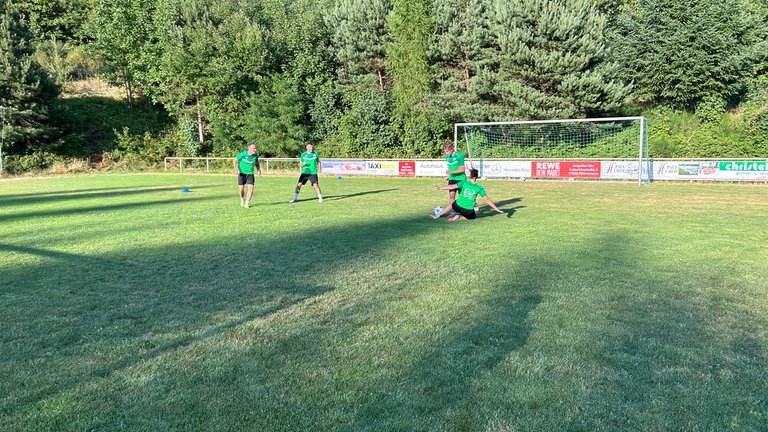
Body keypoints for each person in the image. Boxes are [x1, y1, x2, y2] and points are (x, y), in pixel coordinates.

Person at [430, 168, 504, 221]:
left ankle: (438, 215)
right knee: (471, 217)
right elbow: (487, 200)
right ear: (476, 177)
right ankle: (459, 218)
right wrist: (496, 209)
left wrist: (440, 188)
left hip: (458, 206)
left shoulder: (464, 182)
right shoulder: (479, 188)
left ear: (470, 176)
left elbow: (452, 186)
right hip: (467, 210)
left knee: (452, 205)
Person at [442, 140, 471, 212]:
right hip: (452, 179)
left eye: (447, 151)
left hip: (461, 179)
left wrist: (451, 172)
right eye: (445, 151)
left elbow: (462, 169)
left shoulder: (459, 156)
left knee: (463, 196)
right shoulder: (447, 157)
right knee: (452, 195)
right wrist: (448, 176)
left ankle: (473, 205)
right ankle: (453, 211)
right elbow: (450, 168)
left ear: (451, 149)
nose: (446, 153)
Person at [233, 143, 261, 208]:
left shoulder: (255, 155)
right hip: (242, 173)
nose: (255, 149)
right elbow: (234, 160)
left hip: (250, 173)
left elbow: (257, 162)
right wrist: (235, 169)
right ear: (249, 149)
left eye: (255, 148)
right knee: (241, 189)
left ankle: (246, 204)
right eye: (254, 148)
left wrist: (258, 170)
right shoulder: (243, 154)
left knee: (251, 189)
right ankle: (242, 199)